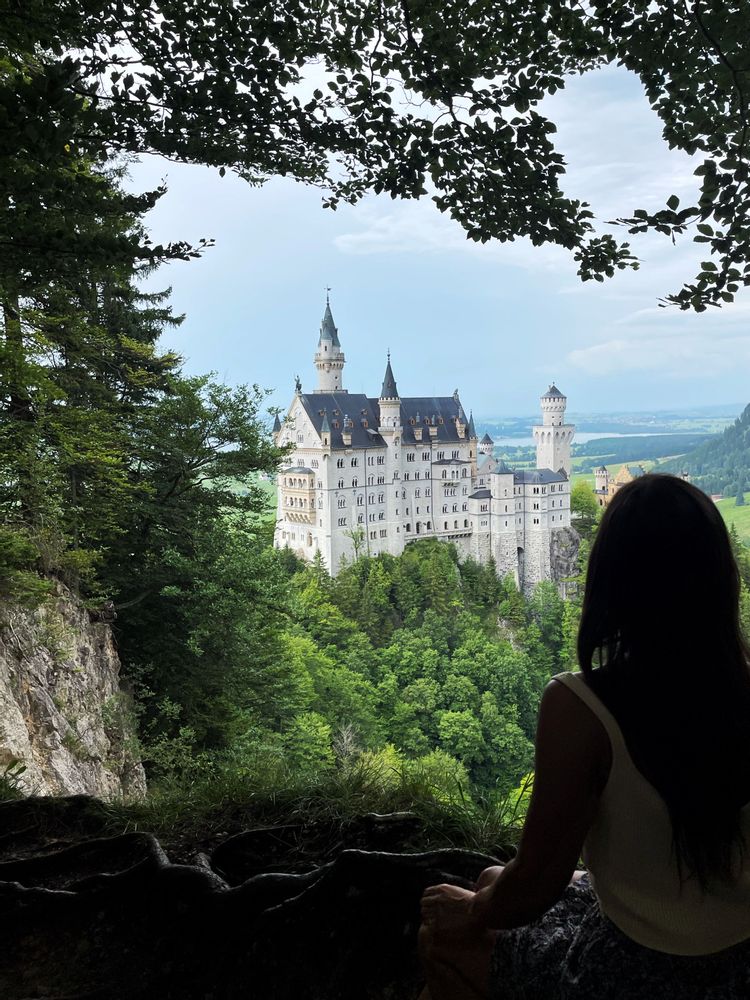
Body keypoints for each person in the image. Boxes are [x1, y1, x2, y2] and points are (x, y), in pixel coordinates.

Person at [418, 473, 750, 999]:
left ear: (613, 580)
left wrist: (472, 914)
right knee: (487, 877)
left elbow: (537, 881)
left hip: (635, 971)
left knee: (446, 938)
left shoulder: (585, 708)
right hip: (739, 961)